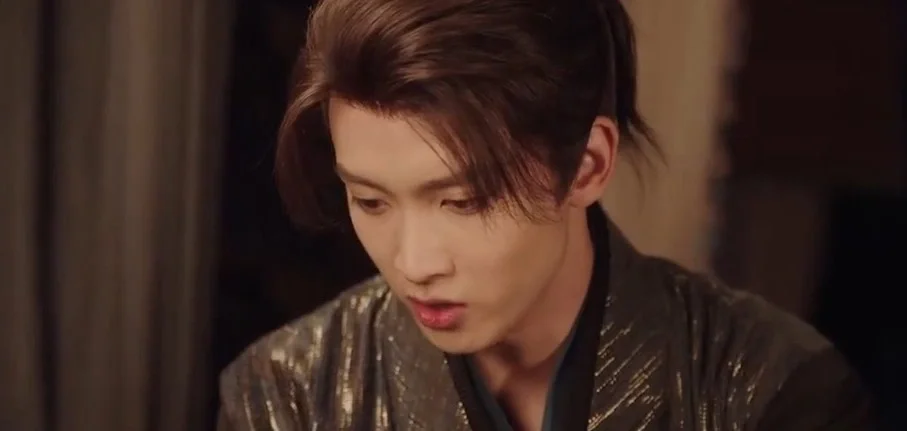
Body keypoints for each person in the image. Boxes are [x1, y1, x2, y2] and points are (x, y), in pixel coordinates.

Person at [217, 0, 875, 429]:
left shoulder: (771, 390)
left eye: (463, 201)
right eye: (371, 200)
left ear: (586, 165)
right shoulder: (289, 393)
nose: (414, 262)